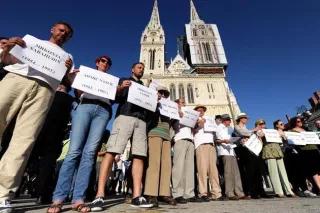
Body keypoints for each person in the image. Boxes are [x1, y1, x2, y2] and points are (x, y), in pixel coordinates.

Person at [0, 22, 73, 213]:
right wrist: (7, 48)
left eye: (67, 33)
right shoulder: (30, 43)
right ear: (52, 30)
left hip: (45, 90)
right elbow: (7, 61)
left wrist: (67, 71)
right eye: (61, 30)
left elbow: (67, 83)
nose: (63, 33)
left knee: (24, 140)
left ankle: (3, 194)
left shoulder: (67, 58)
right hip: (16, 79)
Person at [48, 56, 113, 213]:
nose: (105, 64)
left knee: (89, 154)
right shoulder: (85, 73)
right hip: (85, 106)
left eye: (108, 62)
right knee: (74, 152)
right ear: (97, 62)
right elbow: (78, 92)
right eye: (103, 61)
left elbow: (115, 96)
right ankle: (58, 199)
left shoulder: (111, 80)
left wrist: (121, 88)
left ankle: (78, 199)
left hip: (103, 110)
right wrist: (73, 78)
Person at [90, 62, 153, 211]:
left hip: (141, 121)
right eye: (139, 67)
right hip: (125, 116)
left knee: (139, 155)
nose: (141, 69)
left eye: (143, 68)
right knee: (112, 151)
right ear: (132, 69)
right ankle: (99, 195)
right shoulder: (124, 80)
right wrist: (121, 88)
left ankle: (137, 196)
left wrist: (153, 99)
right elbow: (114, 97)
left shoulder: (145, 88)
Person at [29, 77, 74, 204]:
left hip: (37, 130)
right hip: (56, 134)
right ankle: (42, 193)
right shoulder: (70, 100)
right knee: (47, 164)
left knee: (29, 160)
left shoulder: (47, 94)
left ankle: (24, 188)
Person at [144, 85, 176, 207]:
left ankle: (164, 193)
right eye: (160, 92)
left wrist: (177, 113)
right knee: (154, 163)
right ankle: (151, 193)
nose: (162, 95)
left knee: (167, 165)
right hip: (154, 133)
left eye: (165, 93)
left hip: (166, 135)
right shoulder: (151, 102)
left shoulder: (168, 106)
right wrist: (154, 101)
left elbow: (172, 121)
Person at [171, 98, 200, 204]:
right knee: (178, 167)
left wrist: (196, 122)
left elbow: (195, 127)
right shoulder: (174, 112)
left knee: (189, 168)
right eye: (182, 102)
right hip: (179, 139)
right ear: (177, 104)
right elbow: (171, 122)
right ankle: (177, 193)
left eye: (184, 102)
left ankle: (189, 194)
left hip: (190, 140)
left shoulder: (189, 112)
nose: (184, 104)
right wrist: (178, 114)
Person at [233, 114, 267, 199]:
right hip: (244, 151)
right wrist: (254, 130)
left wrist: (260, 132)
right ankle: (253, 192)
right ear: (240, 119)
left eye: (246, 118)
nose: (246, 119)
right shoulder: (237, 127)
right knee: (250, 171)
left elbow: (255, 135)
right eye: (244, 118)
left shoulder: (247, 128)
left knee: (257, 171)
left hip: (253, 150)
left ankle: (261, 191)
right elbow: (243, 133)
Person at [193, 105, 222, 201]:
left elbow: (215, 131)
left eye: (202, 110)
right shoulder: (193, 119)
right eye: (198, 110)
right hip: (200, 145)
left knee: (214, 171)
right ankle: (203, 193)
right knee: (202, 170)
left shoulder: (209, 119)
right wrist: (199, 122)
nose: (200, 111)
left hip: (211, 145)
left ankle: (216, 193)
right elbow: (193, 128)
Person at [260, 120, 295, 197]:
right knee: (273, 172)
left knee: (283, 171)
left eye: (264, 123)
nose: (263, 125)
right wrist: (261, 132)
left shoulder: (275, 131)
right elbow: (259, 138)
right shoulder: (262, 132)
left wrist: (283, 136)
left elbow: (285, 142)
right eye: (261, 124)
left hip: (278, 150)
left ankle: (288, 190)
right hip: (269, 150)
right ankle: (279, 191)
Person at [215, 114, 245, 200]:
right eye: (228, 120)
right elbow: (218, 140)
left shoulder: (230, 128)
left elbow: (234, 136)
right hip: (224, 151)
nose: (229, 121)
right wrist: (225, 141)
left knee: (236, 173)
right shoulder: (219, 128)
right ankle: (230, 193)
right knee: (228, 173)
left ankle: (239, 192)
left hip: (232, 151)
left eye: (229, 120)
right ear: (223, 120)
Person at [289, 116, 320, 196]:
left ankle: (316, 188)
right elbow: (293, 142)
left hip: (314, 149)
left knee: (318, 170)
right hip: (305, 151)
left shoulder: (305, 129)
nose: (300, 122)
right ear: (294, 123)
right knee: (313, 171)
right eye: (298, 121)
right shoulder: (292, 131)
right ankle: (318, 188)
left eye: (301, 121)